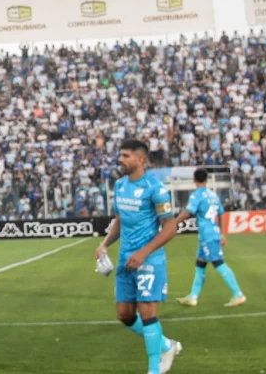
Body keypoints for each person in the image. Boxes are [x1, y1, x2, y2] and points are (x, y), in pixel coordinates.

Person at [95, 140, 182, 374]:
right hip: (126, 259)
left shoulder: (155, 188)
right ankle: (166, 345)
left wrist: (144, 252)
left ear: (140, 160)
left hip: (149, 259)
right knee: (124, 314)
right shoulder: (121, 185)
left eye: (125, 156)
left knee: (147, 312)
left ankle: (154, 369)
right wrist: (104, 244)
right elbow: (121, 219)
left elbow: (170, 227)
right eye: (120, 155)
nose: (120, 160)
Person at [175, 169, 246, 308]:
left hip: (207, 236)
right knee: (200, 265)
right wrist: (221, 233)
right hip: (211, 234)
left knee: (219, 264)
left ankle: (238, 295)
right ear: (206, 180)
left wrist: (174, 223)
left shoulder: (196, 195)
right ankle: (193, 297)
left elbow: (187, 212)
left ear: (194, 180)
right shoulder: (213, 195)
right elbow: (221, 213)